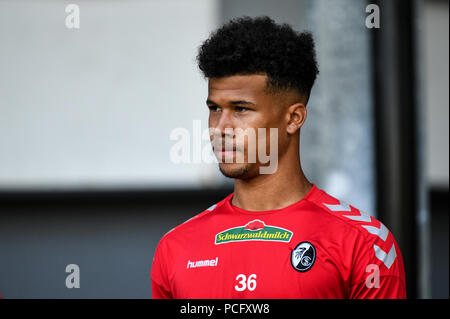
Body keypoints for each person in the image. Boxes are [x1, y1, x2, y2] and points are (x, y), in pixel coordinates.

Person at [151, 16, 406, 299]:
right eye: (214, 108)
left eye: (241, 109)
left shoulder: (364, 244)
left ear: (293, 118)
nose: (219, 128)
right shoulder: (176, 247)